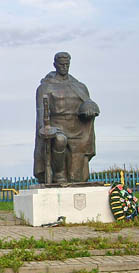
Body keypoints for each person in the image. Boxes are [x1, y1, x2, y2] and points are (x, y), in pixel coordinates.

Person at [33, 52, 99, 183]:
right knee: (60, 140)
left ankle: (73, 176)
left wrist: (90, 109)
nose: (64, 67)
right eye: (61, 64)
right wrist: (44, 128)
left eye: (67, 65)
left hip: (78, 128)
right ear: (55, 65)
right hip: (56, 126)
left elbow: (89, 103)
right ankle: (59, 174)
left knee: (78, 178)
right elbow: (40, 112)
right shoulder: (45, 87)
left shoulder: (79, 86)